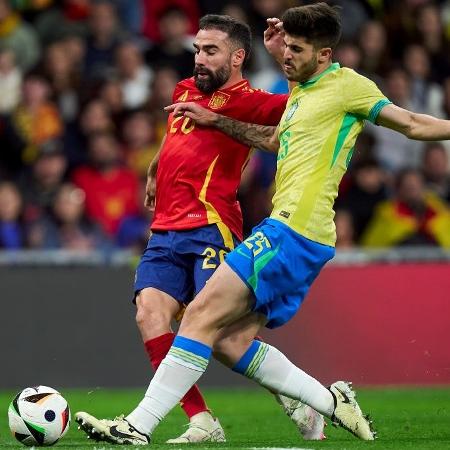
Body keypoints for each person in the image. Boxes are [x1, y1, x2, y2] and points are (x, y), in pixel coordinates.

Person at [77, 13, 326, 444]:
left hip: (210, 226)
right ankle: (201, 420)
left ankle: (300, 396)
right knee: (148, 313)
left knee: (226, 339)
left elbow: (304, 101)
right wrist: (155, 168)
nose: (199, 58)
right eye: (197, 49)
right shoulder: (185, 90)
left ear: (236, 57)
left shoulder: (253, 100)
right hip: (165, 228)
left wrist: (282, 53)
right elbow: (174, 135)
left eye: (210, 50)